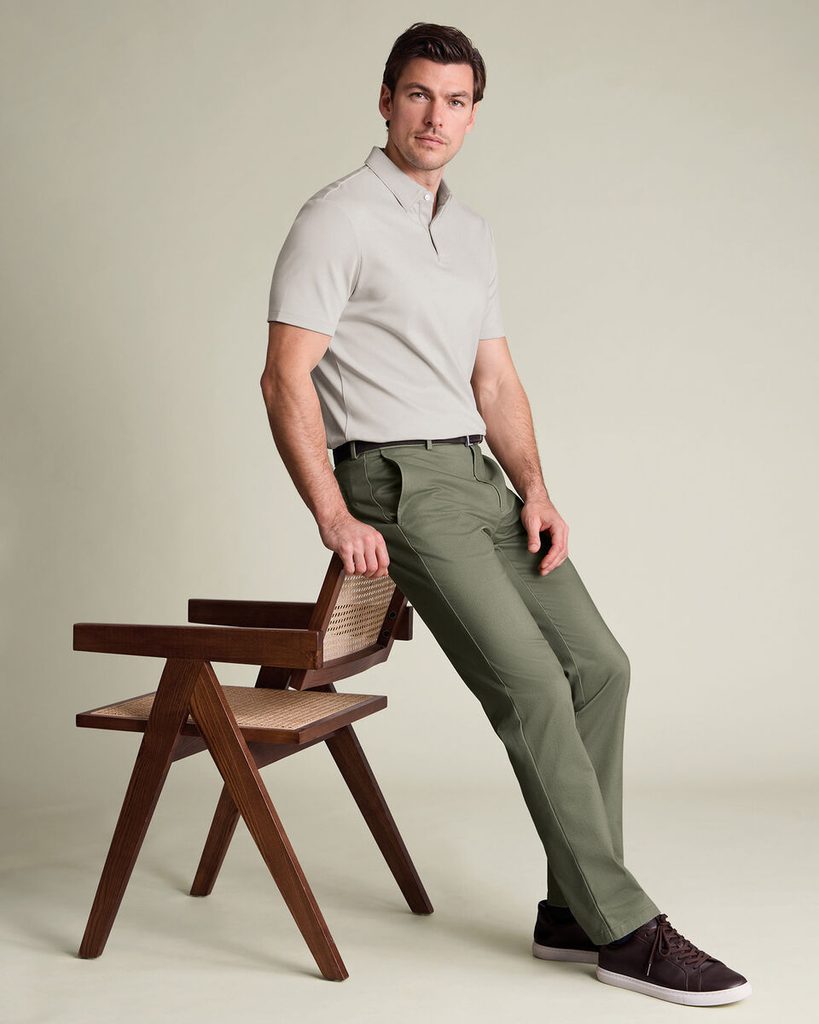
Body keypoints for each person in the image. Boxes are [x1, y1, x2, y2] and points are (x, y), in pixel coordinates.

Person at [260, 21, 751, 1007]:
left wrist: (537, 488)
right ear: (386, 100)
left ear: (473, 114)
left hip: (479, 476)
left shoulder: (470, 233)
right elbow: (284, 376)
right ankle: (625, 925)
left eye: (455, 101)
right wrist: (331, 512)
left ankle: (571, 909)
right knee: (529, 681)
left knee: (600, 666)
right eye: (417, 94)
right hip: (393, 479)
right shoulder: (337, 217)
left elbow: (494, 377)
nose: (434, 116)